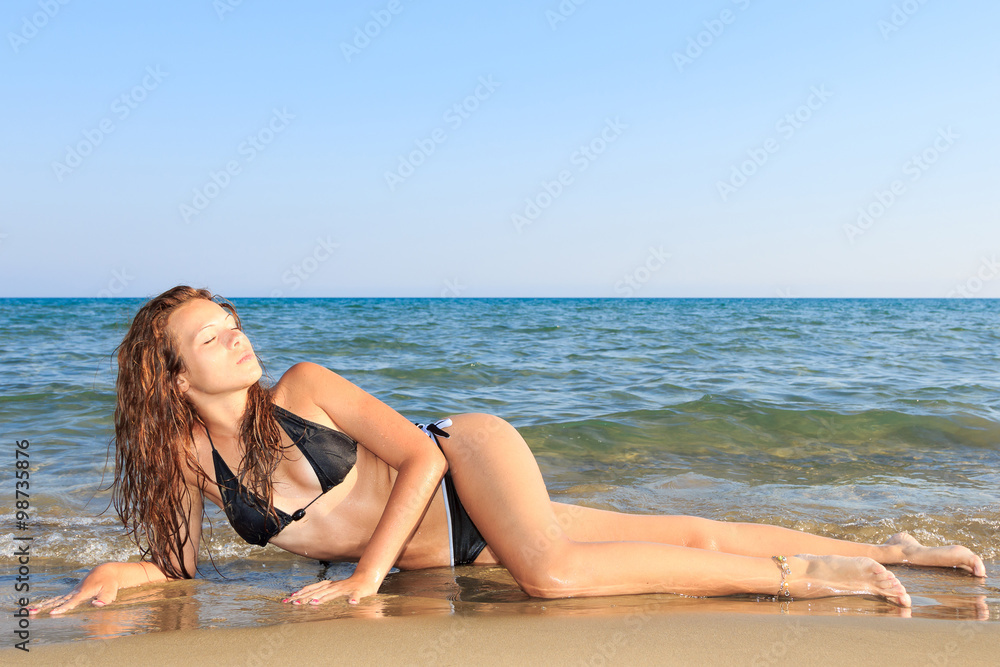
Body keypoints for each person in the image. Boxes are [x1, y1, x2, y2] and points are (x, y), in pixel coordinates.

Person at [31, 286, 986, 616]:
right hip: (463, 547)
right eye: (210, 336)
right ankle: (899, 553)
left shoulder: (304, 388)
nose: (236, 337)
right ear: (169, 377)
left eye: (231, 322)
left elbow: (421, 459)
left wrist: (365, 579)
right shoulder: (194, 464)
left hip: (466, 466)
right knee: (685, 533)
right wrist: (103, 583)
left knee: (558, 576)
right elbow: (178, 571)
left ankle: (814, 578)